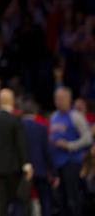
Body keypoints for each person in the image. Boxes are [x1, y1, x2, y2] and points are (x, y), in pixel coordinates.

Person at [0, 89, 32, 216]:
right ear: (12, 101)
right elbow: (21, 146)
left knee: (2, 204)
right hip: (14, 169)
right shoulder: (15, 120)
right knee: (20, 200)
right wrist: (26, 165)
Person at [49, 86, 93, 216]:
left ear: (69, 99)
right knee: (60, 199)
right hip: (57, 163)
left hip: (72, 162)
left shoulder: (76, 116)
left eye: (61, 98)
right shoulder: (54, 117)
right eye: (56, 99)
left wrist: (69, 145)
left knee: (72, 198)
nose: (58, 101)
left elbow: (88, 139)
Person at [21, 100, 52, 216]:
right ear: (35, 113)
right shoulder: (42, 128)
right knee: (44, 201)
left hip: (22, 171)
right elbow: (47, 151)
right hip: (40, 170)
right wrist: (53, 172)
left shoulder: (18, 127)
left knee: (22, 202)